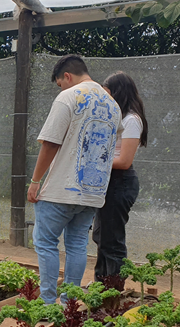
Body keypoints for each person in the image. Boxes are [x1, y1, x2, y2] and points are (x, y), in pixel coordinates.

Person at [27, 54, 122, 304]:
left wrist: (35, 181)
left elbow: (50, 142)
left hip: (61, 190)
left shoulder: (69, 96)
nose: (61, 87)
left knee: (46, 242)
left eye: (60, 83)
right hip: (92, 192)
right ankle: (69, 303)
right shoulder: (112, 105)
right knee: (77, 245)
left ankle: (48, 303)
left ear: (67, 77)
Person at [92, 71, 148, 282]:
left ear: (119, 93)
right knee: (101, 235)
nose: (106, 99)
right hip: (109, 182)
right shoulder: (117, 118)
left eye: (108, 94)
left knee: (112, 240)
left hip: (120, 182)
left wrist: (95, 163)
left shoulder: (132, 120)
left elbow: (124, 162)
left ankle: (113, 288)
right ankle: (101, 281)